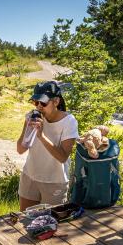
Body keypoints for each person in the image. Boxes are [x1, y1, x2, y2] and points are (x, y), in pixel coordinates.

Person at [16, 80, 78, 211]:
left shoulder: (69, 122)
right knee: (25, 221)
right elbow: (20, 150)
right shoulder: (32, 117)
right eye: (35, 102)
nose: (39, 107)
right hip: (30, 176)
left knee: (51, 224)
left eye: (43, 103)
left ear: (56, 101)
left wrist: (41, 136)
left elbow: (62, 157)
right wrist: (28, 128)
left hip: (55, 182)